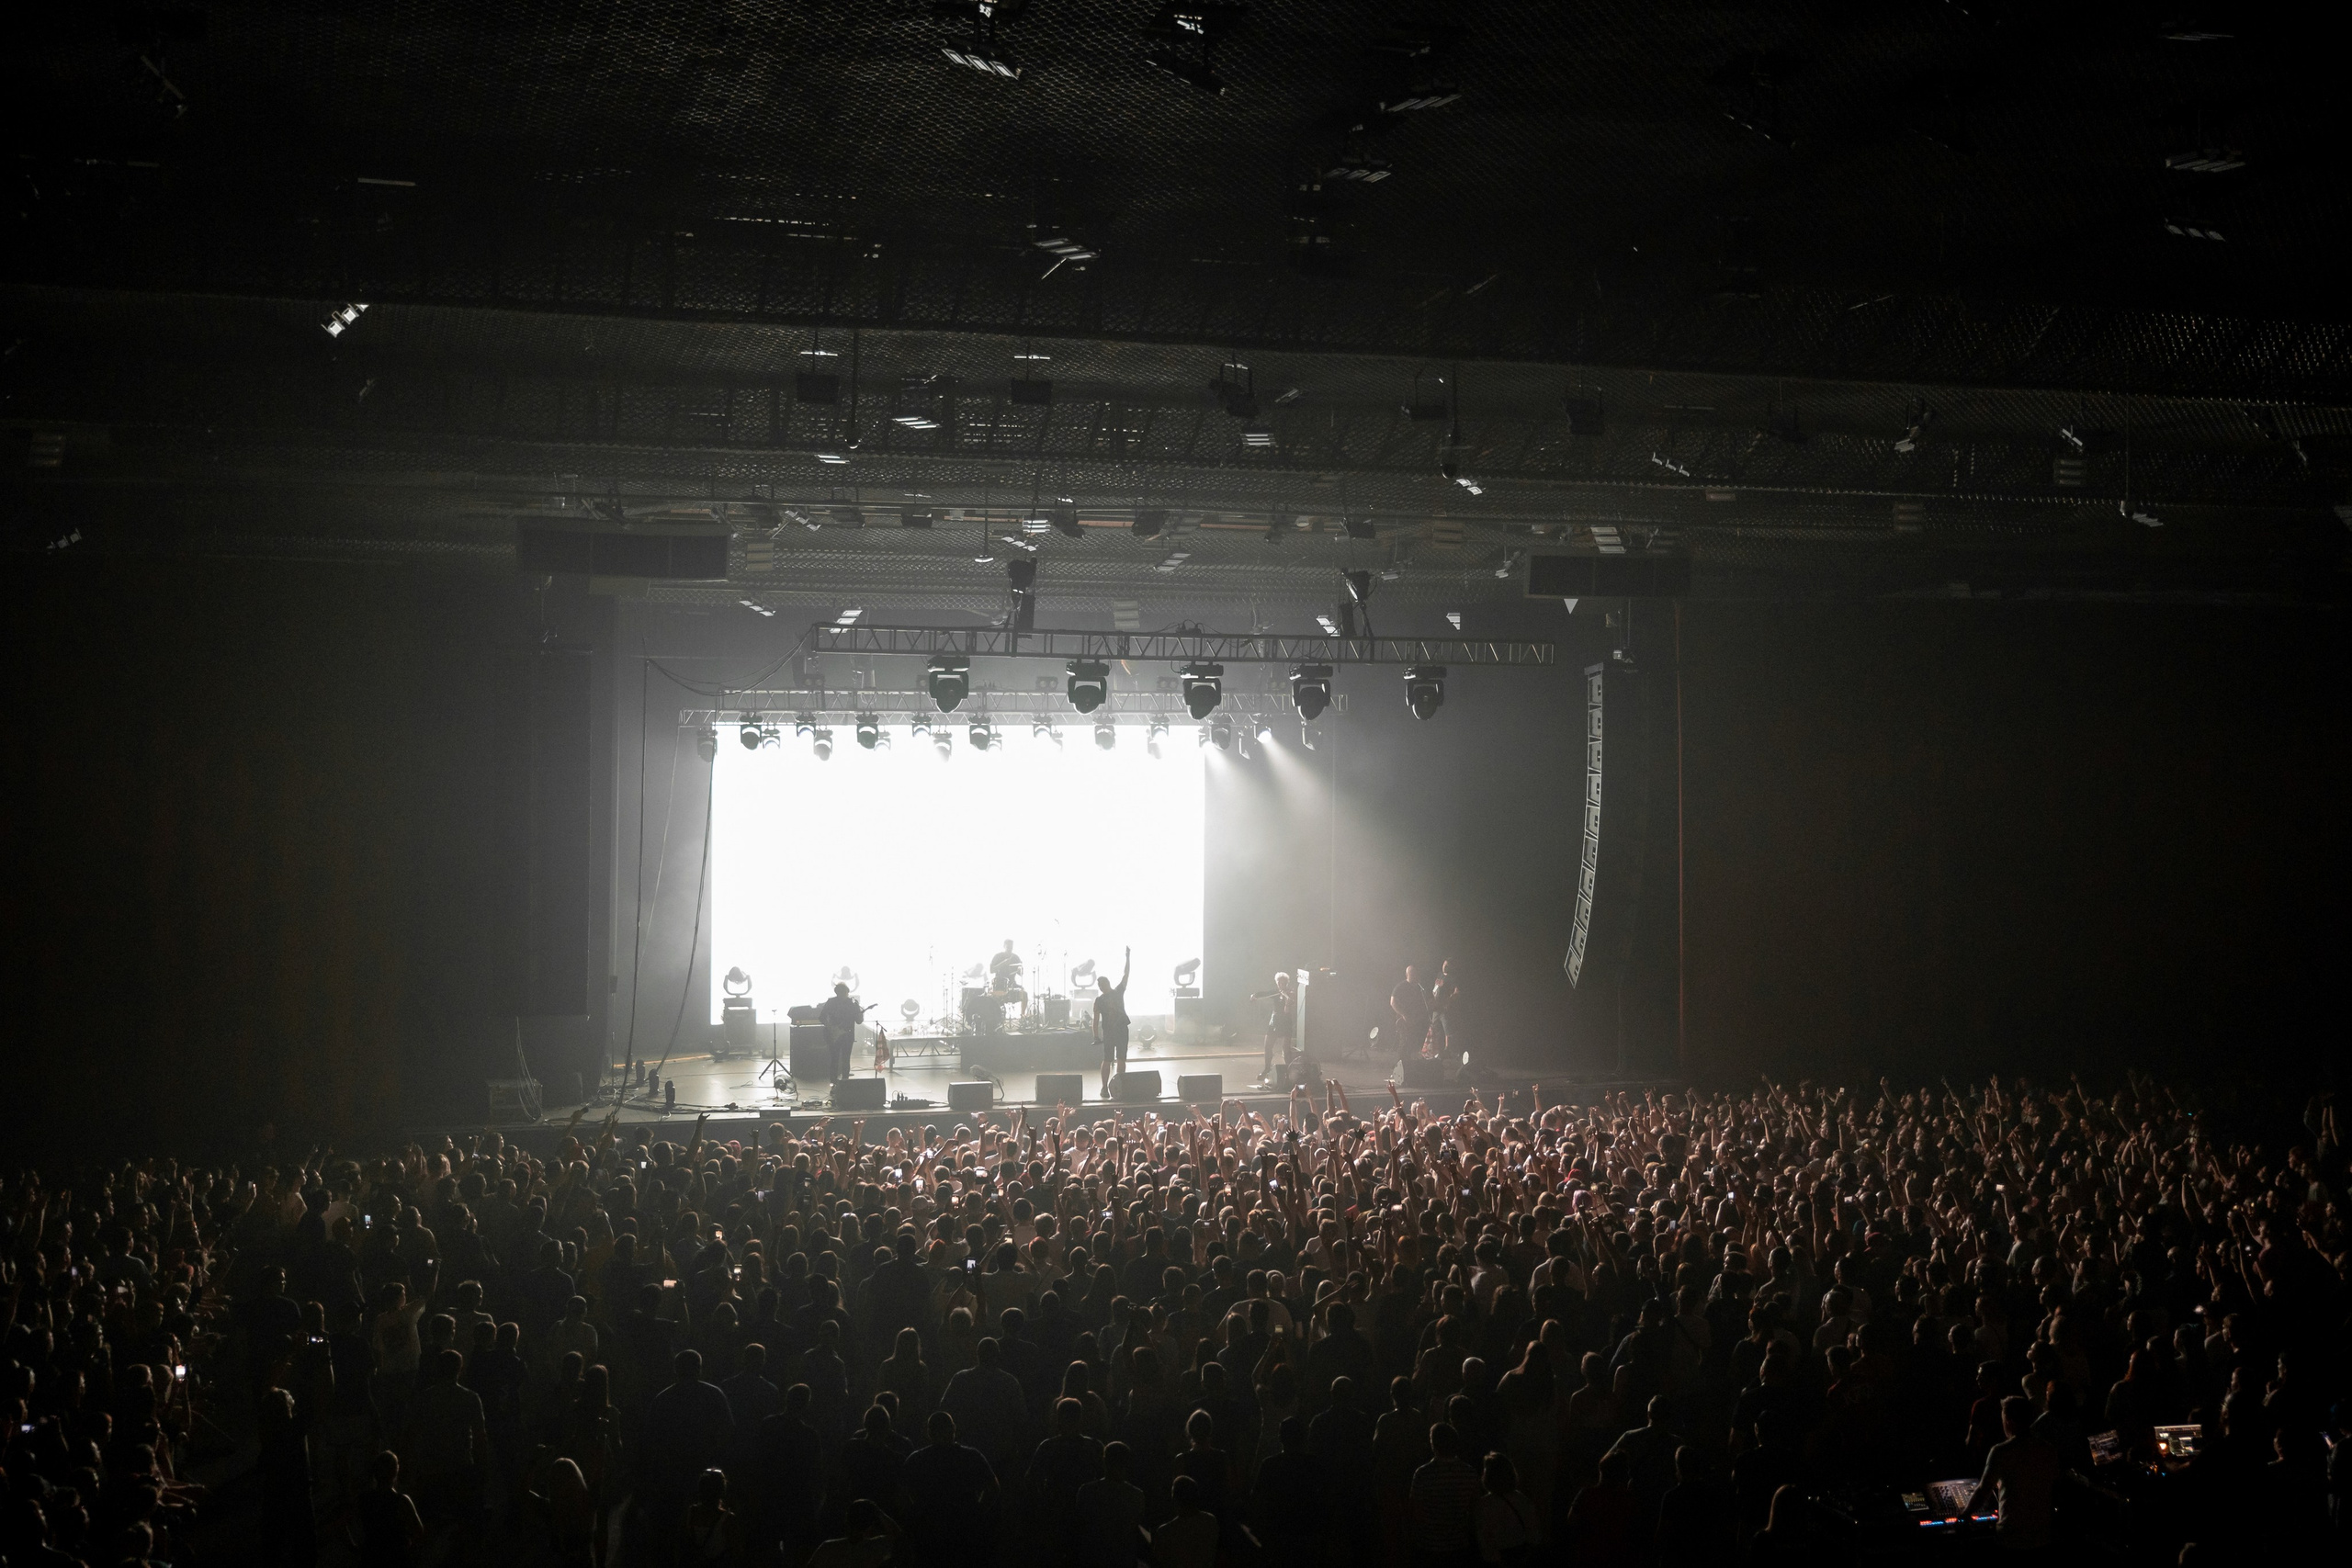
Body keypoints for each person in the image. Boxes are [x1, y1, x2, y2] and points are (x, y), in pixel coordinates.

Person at [1974, 1395, 2061, 1552]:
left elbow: (1983, 1491)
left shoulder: (2000, 1451)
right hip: (2042, 1536)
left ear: (2009, 1420)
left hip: (2011, 1537)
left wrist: (1964, 1515)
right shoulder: (2048, 1449)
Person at [1094, 947, 1132, 1095]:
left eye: (1100, 985)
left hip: (1115, 1031)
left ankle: (1110, 1087)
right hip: (1115, 1031)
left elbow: (1126, 974)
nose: (1100, 987)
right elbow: (1095, 1019)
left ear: (1105, 985)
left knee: (1114, 1059)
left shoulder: (1108, 996)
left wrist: (1095, 1036)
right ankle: (1110, 1087)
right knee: (1114, 1059)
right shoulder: (1108, 996)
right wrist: (1095, 1035)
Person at [1253, 972, 1297, 1086]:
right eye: (1279, 982)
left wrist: (1287, 1003)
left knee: (1286, 1049)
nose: (1281, 984)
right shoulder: (1275, 992)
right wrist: (1255, 995)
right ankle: (1267, 1069)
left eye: (1283, 982)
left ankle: (1289, 1072)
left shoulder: (1291, 993)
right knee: (1267, 1046)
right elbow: (1265, 993)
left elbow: (1287, 1011)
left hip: (1285, 1021)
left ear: (1287, 983)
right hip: (1275, 1020)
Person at [819, 982, 867, 1082]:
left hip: (847, 1035)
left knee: (845, 1059)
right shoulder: (831, 1002)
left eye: (844, 992)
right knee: (835, 1059)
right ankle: (834, 1083)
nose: (843, 994)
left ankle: (845, 1082)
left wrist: (860, 1016)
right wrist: (831, 1027)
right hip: (834, 1034)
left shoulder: (853, 1003)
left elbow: (858, 1021)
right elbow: (822, 1017)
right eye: (841, 992)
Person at [1391, 966, 1431, 1059]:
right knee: (1405, 1041)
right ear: (1407, 975)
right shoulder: (1401, 986)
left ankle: (1412, 1064)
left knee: (1415, 1042)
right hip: (1405, 1020)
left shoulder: (1420, 988)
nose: (1414, 975)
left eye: (1415, 973)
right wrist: (1403, 1014)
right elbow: (1393, 1002)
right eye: (1411, 973)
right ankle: (1400, 1064)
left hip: (1417, 1019)